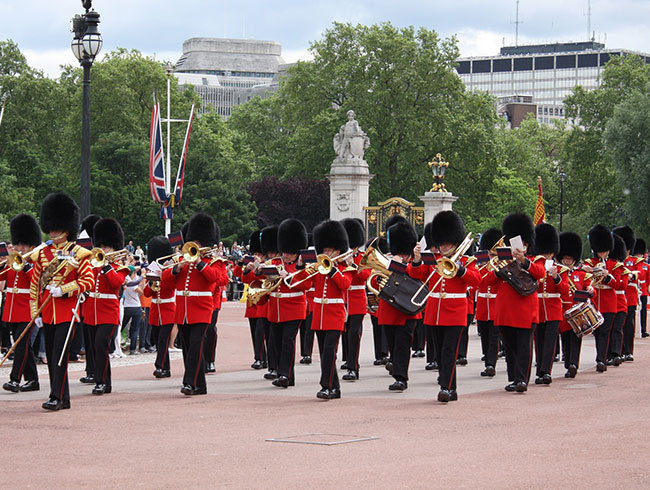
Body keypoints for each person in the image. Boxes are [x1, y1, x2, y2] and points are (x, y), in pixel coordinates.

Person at [29, 192, 95, 411]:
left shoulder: (79, 253)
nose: (53, 232)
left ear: (67, 229)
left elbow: (87, 281)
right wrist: (35, 312)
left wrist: (64, 290)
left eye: (57, 228)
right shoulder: (43, 254)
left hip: (66, 312)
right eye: (51, 228)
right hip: (47, 313)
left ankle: (56, 396)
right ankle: (63, 398)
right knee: (51, 355)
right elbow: (34, 285)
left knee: (59, 356)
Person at [410, 211, 480, 402]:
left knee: (449, 351)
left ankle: (445, 388)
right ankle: (452, 388)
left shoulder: (466, 261)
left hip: (455, 311)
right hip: (434, 311)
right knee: (440, 352)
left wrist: (460, 270)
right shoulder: (433, 260)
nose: (444, 247)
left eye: (447, 243)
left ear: (455, 242)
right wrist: (416, 259)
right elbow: (416, 274)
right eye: (441, 243)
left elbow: (477, 279)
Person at [484, 213, 545, 393]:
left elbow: (540, 273)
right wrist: (499, 270)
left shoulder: (535, 259)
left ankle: (522, 379)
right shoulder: (502, 258)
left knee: (524, 346)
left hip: (525, 308)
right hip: (505, 309)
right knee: (510, 347)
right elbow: (486, 282)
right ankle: (513, 378)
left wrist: (523, 261)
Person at [170, 213, 227, 395]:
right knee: (187, 349)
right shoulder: (182, 261)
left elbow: (215, 279)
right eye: (193, 241)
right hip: (183, 310)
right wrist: (175, 269)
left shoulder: (215, 262)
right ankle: (200, 386)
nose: (195, 245)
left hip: (202, 309)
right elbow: (167, 283)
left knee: (195, 347)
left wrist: (200, 262)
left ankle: (188, 382)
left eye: (199, 242)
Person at [300, 220, 352, 399]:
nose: (326, 253)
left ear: (338, 251)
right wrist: (301, 267)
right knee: (324, 354)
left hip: (335, 314)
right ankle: (335, 388)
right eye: (325, 250)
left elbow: (344, 285)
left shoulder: (346, 267)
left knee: (330, 352)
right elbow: (304, 284)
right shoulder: (318, 267)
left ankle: (326, 386)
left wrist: (332, 271)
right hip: (319, 315)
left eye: (330, 250)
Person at [84, 218, 130, 395]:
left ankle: (101, 381)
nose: (102, 249)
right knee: (94, 347)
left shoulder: (119, 267)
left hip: (108, 312)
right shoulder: (91, 265)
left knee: (101, 345)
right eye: (100, 246)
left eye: (106, 247)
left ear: (113, 247)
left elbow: (115, 283)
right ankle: (104, 381)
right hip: (90, 311)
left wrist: (106, 266)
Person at [376, 216, 420, 392]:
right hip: (389, 308)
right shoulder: (387, 259)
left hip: (407, 309)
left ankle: (401, 378)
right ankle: (396, 367)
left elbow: (418, 276)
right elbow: (376, 277)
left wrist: (410, 262)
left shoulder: (414, 262)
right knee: (393, 344)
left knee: (403, 344)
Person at [1, 214, 42, 394]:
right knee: (24, 345)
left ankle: (15, 379)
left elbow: (37, 282)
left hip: (27, 308)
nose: (19, 247)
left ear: (31, 245)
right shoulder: (12, 261)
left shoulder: (35, 262)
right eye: (18, 244)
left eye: (23, 245)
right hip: (11, 308)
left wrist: (25, 266)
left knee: (20, 344)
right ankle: (33, 380)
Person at [267, 219, 309, 389]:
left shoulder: (303, 266)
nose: (286, 255)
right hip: (275, 309)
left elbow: (307, 285)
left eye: (290, 252)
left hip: (294, 308)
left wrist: (291, 275)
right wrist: (253, 270)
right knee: (277, 342)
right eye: (284, 251)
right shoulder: (275, 263)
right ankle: (284, 374)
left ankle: (285, 374)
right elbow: (252, 280)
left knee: (287, 342)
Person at [584, 224, 624, 373]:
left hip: (609, 302)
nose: (602, 254)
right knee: (598, 332)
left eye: (605, 251)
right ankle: (603, 356)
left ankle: (601, 359)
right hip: (594, 302)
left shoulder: (615, 265)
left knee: (605, 331)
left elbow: (618, 285)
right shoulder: (589, 263)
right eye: (600, 251)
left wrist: (607, 277)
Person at [532, 223, 569, 385]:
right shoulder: (534, 266)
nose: (546, 255)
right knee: (538, 341)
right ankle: (540, 369)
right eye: (544, 252)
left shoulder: (561, 270)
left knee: (550, 342)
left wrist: (556, 277)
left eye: (548, 253)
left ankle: (545, 371)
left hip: (553, 309)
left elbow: (565, 291)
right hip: (538, 307)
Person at [557, 231, 592, 378]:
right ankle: (568, 363)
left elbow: (589, 287)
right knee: (565, 337)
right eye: (565, 259)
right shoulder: (559, 273)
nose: (567, 261)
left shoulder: (582, 274)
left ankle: (573, 364)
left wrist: (590, 289)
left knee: (576, 338)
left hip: (577, 311)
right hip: (564, 310)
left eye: (569, 259)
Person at [340, 218, 371, 381]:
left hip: (357, 298)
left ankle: (353, 367)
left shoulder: (363, 257)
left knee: (354, 333)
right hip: (343, 299)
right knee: (345, 333)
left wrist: (353, 264)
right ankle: (347, 359)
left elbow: (365, 276)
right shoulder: (339, 258)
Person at [234, 230, 269, 370]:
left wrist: (257, 268)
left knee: (261, 333)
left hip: (263, 301)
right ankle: (259, 357)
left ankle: (263, 358)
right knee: (255, 333)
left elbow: (263, 278)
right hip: (252, 302)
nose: (257, 256)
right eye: (256, 253)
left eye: (259, 254)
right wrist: (244, 266)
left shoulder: (267, 264)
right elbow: (242, 277)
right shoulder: (251, 262)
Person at [142, 236, 176, 378]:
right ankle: (166, 369)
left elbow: (171, 286)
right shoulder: (152, 269)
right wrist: (152, 280)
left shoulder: (170, 269)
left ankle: (160, 367)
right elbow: (147, 293)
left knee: (163, 340)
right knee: (158, 341)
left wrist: (163, 275)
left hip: (168, 309)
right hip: (156, 310)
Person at [77, 213, 102, 385]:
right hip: (88, 304)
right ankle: (91, 370)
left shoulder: (104, 255)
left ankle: (99, 373)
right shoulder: (85, 254)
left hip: (102, 306)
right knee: (89, 340)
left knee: (99, 342)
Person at [475, 227, 502, 378]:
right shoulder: (482, 265)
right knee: (484, 335)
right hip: (483, 305)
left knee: (494, 336)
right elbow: (479, 280)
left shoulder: (500, 265)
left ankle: (491, 364)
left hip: (496, 304)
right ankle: (488, 360)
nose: (492, 256)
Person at [614, 226, 639, 362]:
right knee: (617, 325)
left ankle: (628, 350)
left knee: (629, 324)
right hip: (616, 296)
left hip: (629, 296)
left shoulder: (634, 261)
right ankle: (618, 350)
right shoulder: (615, 261)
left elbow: (638, 276)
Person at [632, 238, 649, 338]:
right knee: (632, 311)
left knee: (643, 310)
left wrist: (646, 289)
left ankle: (643, 330)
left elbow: (648, 279)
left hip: (643, 290)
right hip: (635, 290)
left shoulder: (646, 266)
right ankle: (632, 330)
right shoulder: (634, 263)